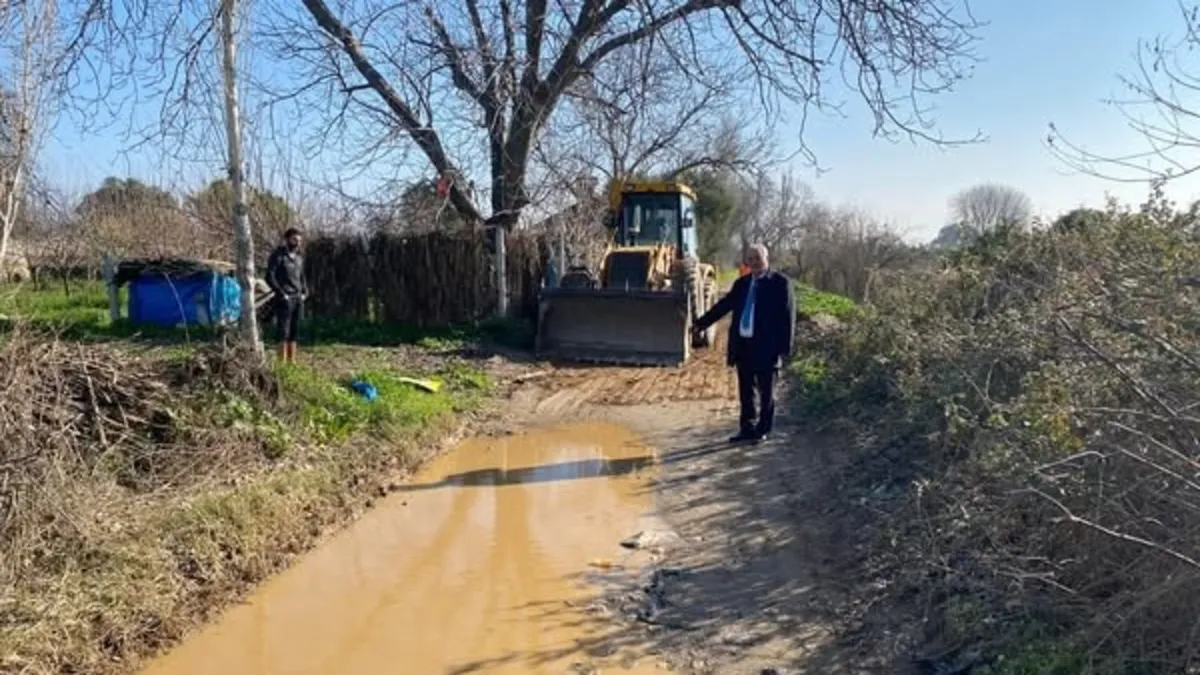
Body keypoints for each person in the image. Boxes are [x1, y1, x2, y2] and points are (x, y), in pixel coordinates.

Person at [693, 244, 796, 443]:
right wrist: (701, 323)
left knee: (766, 392)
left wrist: (784, 348)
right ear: (747, 261)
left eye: (758, 258)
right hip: (743, 345)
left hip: (767, 346)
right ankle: (746, 428)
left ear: (766, 259)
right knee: (746, 391)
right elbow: (724, 305)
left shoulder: (780, 283)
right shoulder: (742, 283)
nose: (754, 262)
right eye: (751, 258)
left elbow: (788, 317)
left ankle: (762, 429)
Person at [266, 227, 308, 364]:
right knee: (283, 331)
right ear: (287, 239)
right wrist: (281, 293)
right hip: (284, 298)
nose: (297, 243)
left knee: (294, 331)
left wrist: (305, 292)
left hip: (298, 298)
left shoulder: (299, 258)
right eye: (294, 239)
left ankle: (292, 362)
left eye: (299, 240)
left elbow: (302, 277)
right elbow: (270, 276)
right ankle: (281, 363)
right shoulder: (278, 256)